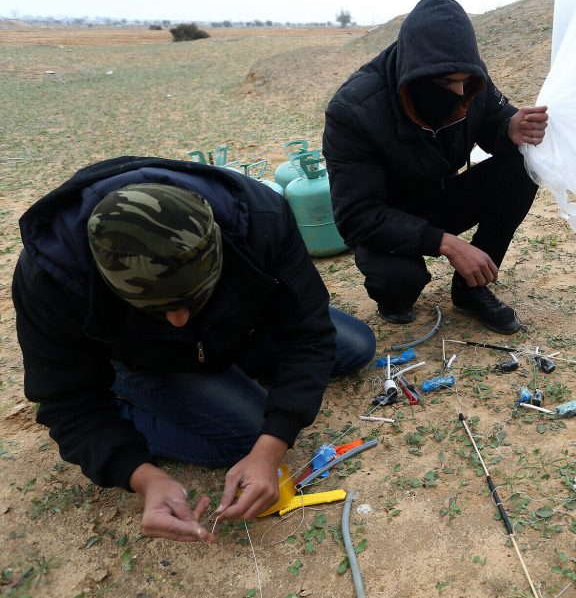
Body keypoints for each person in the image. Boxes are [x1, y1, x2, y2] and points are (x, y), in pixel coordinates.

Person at [12, 157, 376, 542]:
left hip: (238, 327)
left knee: (355, 347)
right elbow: (68, 404)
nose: (178, 320)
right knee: (246, 432)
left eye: (193, 298)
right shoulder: (51, 278)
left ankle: (223, 368)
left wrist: (273, 447)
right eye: (155, 308)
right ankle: (131, 389)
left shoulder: (258, 217)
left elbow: (308, 333)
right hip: (145, 357)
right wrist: (144, 477)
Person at [322, 0, 548, 334]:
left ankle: (471, 290)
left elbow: (493, 121)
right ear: (413, 76)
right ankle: (393, 298)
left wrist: (509, 126)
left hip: (439, 195)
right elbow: (356, 216)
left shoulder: (469, 78)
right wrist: (447, 243)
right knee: (399, 279)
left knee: (521, 166)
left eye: (465, 83)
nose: (459, 95)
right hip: (385, 216)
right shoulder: (354, 111)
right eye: (446, 83)